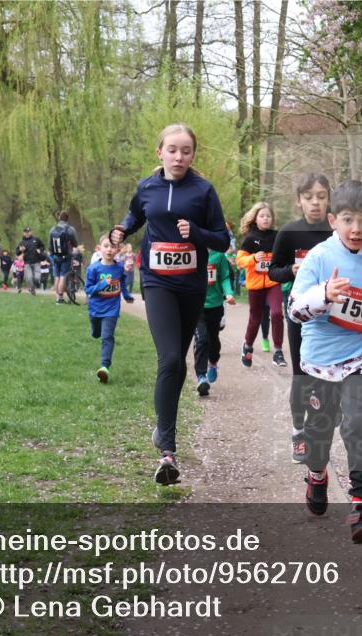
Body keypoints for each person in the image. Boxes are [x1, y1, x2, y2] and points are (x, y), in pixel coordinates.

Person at [110, 123, 230, 486]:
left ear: (193, 155)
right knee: (172, 360)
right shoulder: (147, 187)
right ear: (159, 152)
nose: (179, 157)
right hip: (157, 281)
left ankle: (162, 432)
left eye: (186, 151)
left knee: (177, 367)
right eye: (173, 150)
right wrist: (122, 230)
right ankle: (168, 452)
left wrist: (195, 233)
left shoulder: (203, 191)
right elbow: (136, 214)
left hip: (191, 286)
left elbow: (222, 241)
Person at [288, 180, 362, 543]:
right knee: (319, 436)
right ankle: (317, 475)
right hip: (319, 361)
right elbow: (295, 309)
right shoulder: (319, 258)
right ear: (333, 219)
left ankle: (361, 504)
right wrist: (324, 294)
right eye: (349, 220)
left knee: (357, 422)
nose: (357, 229)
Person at [268, 173, 333, 464]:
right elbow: (273, 271)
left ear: (329, 199)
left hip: (333, 313)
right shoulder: (289, 233)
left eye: (321, 196)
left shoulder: (337, 232)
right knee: (301, 374)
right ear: (299, 201)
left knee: (327, 375)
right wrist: (291, 272)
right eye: (309, 197)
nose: (315, 203)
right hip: (298, 312)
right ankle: (298, 432)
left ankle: (318, 428)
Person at [237, 202, 287, 368]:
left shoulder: (277, 236)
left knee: (277, 313)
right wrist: (253, 259)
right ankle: (248, 346)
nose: (266, 219)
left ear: (272, 219)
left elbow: (284, 256)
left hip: (273, 282)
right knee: (255, 319)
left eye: (268, 216)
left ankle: (278, 351)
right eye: (262, 216)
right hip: (256, 285)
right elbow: (240, 261)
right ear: (256, 218)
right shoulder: (250, 239)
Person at [193, 247, 237, 396]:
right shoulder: (192, 252)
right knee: (202, 339)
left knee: (213, 340)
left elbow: (224, 277)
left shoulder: (218, 256)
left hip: (215, 305)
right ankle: (201, 376)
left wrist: (229, 293)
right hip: (196, 305)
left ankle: (213, 362)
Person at [85, 235, 126, 384]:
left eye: (112, 246)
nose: (109, 249)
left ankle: (104, 367)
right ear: (99, 248)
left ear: (117, 249)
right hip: (95, 309)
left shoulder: (119, 268)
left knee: (107, 337)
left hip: (112, 309)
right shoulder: (93, 268)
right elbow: (88, 289)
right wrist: (102, 285)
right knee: (97, 333)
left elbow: (123, 283)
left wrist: (127, 295)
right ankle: (95, 330)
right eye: (106, 246)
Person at [49, 211, 80, 304]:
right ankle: (60, 298)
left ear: (59, 218)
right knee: (63, 276)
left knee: (56, 276)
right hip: (66, 256)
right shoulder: (70, 229)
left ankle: (57, 297)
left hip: (55, 256)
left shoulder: (52, 229)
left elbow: (49, 245)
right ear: (68, 218)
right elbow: (75, 243)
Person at [17, 227, 46, 295]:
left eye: (28, 232)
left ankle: (36, 285)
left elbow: (43, 246)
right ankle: (32, 290)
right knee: (29, 278)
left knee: (37, 278)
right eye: (25, 232)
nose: (27, 233)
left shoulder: (36, 239)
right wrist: (21, 250)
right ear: (23, 233)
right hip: (27, 263)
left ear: (31, 232)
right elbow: (17, 252)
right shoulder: (22, 242)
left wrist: (40, 250)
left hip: (36, 262)